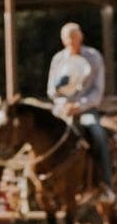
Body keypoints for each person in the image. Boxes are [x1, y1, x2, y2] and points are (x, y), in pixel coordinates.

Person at [47, 20, 111, 188]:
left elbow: (98, 90)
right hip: (62, 110)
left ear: (81, 37)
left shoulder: (93, 56)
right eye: (68, 39)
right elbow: (52, 90)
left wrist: (79, 106)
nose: (72, 42)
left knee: (98, 134)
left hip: (86, 110)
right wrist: (64, 105)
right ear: (63, 40)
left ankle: (105, 182)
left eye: (74, 38)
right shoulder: (58, 59)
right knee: (42, 134)